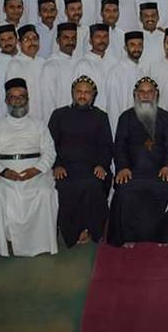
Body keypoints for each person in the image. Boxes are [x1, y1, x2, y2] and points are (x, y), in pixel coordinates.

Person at [0, 78, 58, 260]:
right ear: (6, 101)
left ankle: (40, 243)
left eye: (21, 97)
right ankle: (4, 240)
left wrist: (36, 169)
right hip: (3, 173)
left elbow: (49, 152)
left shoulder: (39, 125)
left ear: (27, 99)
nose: (17, 101)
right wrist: (4, 172)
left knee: (44, 193)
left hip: (34, 172)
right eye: (13, 98)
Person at [108, 77, 168, 247]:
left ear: (156, 95)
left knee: (165, 187)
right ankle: (129, 236)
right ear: (135, 95)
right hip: (132, 170)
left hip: (160, 170)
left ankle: (160, 236)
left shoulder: (166, 118)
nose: (146, 95)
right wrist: (122, 167)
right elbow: (120, 145)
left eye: (150, 92)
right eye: (142, 92)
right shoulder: (126, 117)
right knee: (125, 189)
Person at [49, 76, 114, 247]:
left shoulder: (101, 116)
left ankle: (88, 229)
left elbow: (107, 146)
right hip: (66, 168)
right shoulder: (59, 115)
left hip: (92, 168)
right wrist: (56, 165)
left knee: (94, 184)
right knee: (65, 186)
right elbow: (49, 145)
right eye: (79, 92)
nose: (82, 96)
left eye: (87, 93)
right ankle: (71, 231)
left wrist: (102, 165)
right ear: (72, 93)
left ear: (93, 95)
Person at [106, 31, 147, 135]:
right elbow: (113, 108)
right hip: (124, 130)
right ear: (125, 47)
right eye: (132, 45)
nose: (136, 49)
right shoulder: (116, 72)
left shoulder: (143, 70)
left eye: (139, 45)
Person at [3, 25, 47, 122]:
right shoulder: (15, 65)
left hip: (45, 115)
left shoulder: (43, 62)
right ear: (19, 43)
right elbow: (13, 96)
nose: (32, 42)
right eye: (27, 39)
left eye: (35, 39)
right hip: (25, 118)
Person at [73, 23, 119, 113]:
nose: (102, 40)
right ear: (90, 40)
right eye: (98, 37)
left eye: (105, 36)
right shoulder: (83, 64)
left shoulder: (115, 63)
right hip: (91, 116)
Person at [41, 22, 82, 116]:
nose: (70, 42)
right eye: (66, 38)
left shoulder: (80, 62)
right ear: (57, 40)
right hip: (60, 119)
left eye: (73, 38)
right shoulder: (50, 66)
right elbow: (48, 102)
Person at [138, 1, 165, 67]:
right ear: (141, 18)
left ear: (158, 17)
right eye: (146, 16)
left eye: (153, 15)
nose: (150, 19)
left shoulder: (165, 37)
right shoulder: (135, 38)